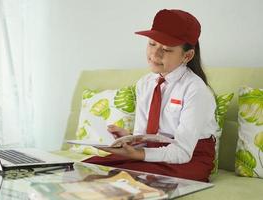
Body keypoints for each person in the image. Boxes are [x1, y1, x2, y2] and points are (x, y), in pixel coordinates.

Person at [84, 9, 219, 182]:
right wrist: (129, 139)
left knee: (127, 178)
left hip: (190, 158)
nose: (155, 54)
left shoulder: (195, 89)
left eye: (167, 49)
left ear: (187, 55)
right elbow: (144, 136)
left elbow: (183, 152)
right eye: (152, 44)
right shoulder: (145, 84)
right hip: (153, 153)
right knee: (89, 167)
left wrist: (140, 154)